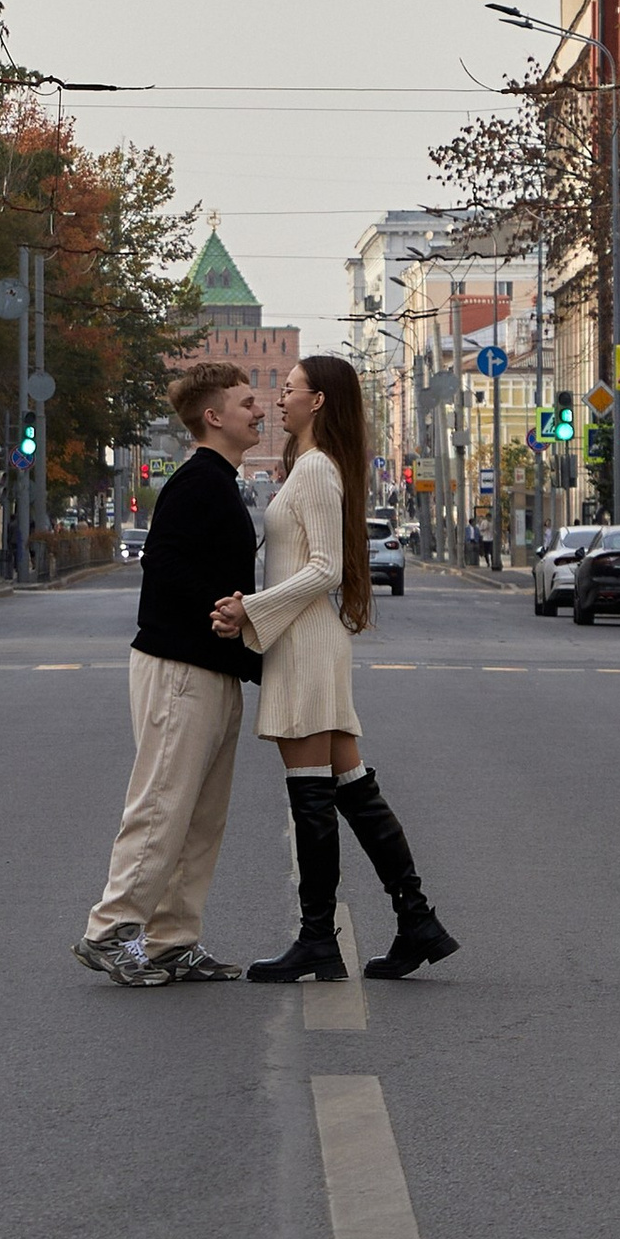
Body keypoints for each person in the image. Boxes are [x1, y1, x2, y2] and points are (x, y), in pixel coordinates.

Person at [215, 354, 458, 984]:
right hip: (303, 640)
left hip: (304, 642)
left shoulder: (318, 469)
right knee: (353, 791)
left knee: (312, 801)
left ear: (317, 402)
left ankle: (319, 939)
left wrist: (251, 611)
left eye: (289, 390)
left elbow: (325, 569)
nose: (279, 401)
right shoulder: (309, 467)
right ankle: (417, 920)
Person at [75, 363, 265, 987]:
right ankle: (111, 930)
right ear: (213, 417)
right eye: (246, 403)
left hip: (210, 669)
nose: (258, 411)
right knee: (161, 803)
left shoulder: (219, 480)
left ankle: (171, 939)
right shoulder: (198, 481)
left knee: (199, 814)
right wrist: (222, 609)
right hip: (180, 666)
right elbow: (162, 563)